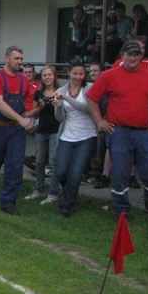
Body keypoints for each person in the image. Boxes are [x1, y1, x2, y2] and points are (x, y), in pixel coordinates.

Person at [86, 40, 148, 217]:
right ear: (123, 55)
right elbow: (92, 98)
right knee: (120, 172)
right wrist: (100, 120)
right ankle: (121, 209)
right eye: (129, 54)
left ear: (141, 56)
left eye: (137, 54)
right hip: (119, 131)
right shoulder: (109, 75)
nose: (133, 58)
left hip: (143, 132)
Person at [0, 46, 36, 215]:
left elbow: (25, 103)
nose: (20, 62)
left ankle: (8, 201)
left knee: (14, 165)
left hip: (15, 131)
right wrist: (21, 120)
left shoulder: (23, 80)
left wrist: (26, 117)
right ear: (7, 59)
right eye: (16, 58)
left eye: (21, 59)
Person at [53, 61, 97, 218]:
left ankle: (65, 207)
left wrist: (66, 98)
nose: (78, 77)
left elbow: (86, 108)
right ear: (68, 72)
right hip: (67, 136)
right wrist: (58, 105)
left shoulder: (89, 88)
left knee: (76, 173)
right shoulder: (61, 90)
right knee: (61, 172)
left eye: (81, 74)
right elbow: (59, 118)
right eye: (75, 73)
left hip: (87, 136)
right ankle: (70, 192)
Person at [24, 66, 60, 204]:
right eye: (44, 75)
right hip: (41, 130)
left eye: (49, 75)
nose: (47, 77)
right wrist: (40, 107)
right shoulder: (39, 92)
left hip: (55, 131)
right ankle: (38, 190)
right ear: (42, 77)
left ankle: (53, 192)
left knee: (53, 162)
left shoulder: (60, 92)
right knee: (39, 162)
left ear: (54, 76)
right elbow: (34, 111)